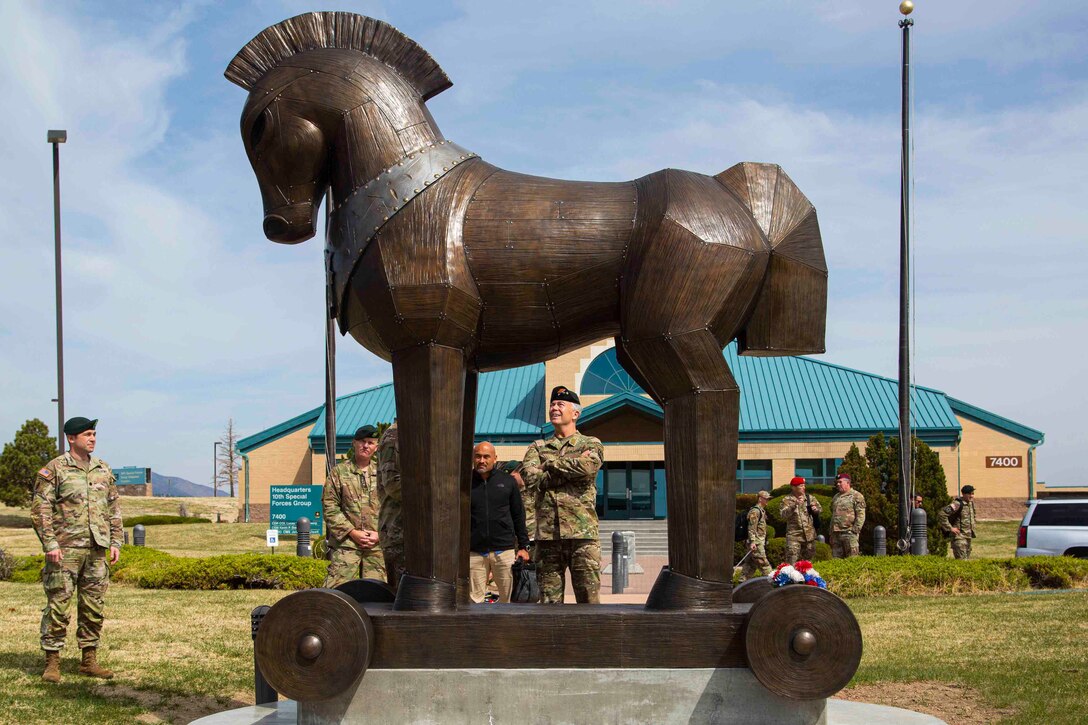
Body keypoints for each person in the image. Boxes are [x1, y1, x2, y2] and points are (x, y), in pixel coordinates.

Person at [31, 416, 121, 683]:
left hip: (96, 550)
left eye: (94, 434)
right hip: (64, 551)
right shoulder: (55, 469)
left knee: (93, 607)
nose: (92, 439)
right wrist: (50, 543)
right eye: (87, 434)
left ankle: (89, 660)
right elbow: (40, 509)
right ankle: (52, 663)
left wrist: (116, 541)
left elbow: (113, 508)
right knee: (58, 606)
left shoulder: (102, 469)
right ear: (71, 438)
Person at [522, 386, 604, 604]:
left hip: (583, 536)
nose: (554, 408)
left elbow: (588, 468)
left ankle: (590, 640)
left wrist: (548, 465)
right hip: (548, 539)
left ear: (575, 413)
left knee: (589, 602)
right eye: (552, 404)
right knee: (549, 605)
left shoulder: (591, 443)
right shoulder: (538, 446)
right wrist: (569, 470)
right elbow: (530, 479)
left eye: (560, 404)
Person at [322, 425, 385, 587]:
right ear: (354, 443)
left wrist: (380, 534)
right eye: (362, 441)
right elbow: (330, 506)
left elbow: (392, 507)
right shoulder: (339, 472)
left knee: (378, 593)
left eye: (371, 442)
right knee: (336, 592)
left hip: (376, 545)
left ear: (376, 447)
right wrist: (352, 532)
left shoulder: (383, 473)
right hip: (347, 544)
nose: (366, 446)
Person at [469, 443, 530, 603]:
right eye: (478, 456)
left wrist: (524, 547)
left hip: (504, 552)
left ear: (495, 459)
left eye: (486, 456)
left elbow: (518, 515)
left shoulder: (508, 482)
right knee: (474, 601)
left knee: (508, 600)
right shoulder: (464, 483)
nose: (481, 460)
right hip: (474, 552)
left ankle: (507, 629)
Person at [376, 420, 404, 591]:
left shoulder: (413, 434)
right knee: (401, 594)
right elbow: (393, 485)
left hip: (414, 532)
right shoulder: (394, 437)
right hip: (398, 531)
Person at [780, 476, 822, 564]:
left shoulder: (810, 498)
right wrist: (794, 505)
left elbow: (820, 509)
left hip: (809, 536)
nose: (804, 488)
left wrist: (815, 509)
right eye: (801, 486)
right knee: (791, 562)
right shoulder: (786, 500)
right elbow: (783, 515)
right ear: (794, 487)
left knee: (808, 563)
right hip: (794, 536)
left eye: (804, 485)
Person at [829, 473, 866, 558]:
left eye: (840, 482)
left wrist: (855, 530)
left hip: (849, 532)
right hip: (836, 534)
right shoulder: (836, 497)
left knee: (852, 559)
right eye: (837, 482)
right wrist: (831, 532)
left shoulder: (856, 496)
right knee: (836, 560)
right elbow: (833, 513)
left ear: (847, 483)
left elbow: (861, 515)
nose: (838, 484)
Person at [738, 490, 773, 581]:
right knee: (765, 565)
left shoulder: (761, 511)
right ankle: (774, 583)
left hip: (757, 542)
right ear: (760, 499)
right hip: (756, 544)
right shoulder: (755, 511)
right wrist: (753, 542)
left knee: (749, 566)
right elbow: (751, 528)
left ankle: (741, 584)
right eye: (766, 499)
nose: (768, 501)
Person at [938, 484, 977, 559]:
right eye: (969, 494)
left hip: (968, 537)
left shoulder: (970, 504)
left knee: (966, 563)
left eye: (972, 494)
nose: (971, 496)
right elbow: (942, 514)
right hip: (959, 538)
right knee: (962, 562)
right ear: (963, 494)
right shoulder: (957, 504)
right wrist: (950, 528)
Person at [503, 460, 535, 546]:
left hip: (536, 539)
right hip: (519, 541)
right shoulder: (509, 494)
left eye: (512, 477)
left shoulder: (534, 489)